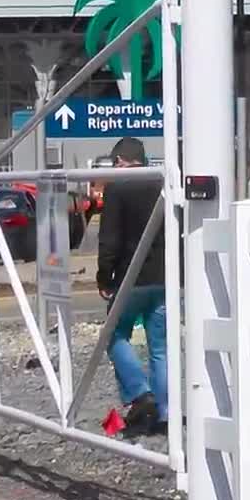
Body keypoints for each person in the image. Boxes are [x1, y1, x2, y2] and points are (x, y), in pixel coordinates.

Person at [96, 137, 167, 435]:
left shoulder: (118, 187)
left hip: (130, 278)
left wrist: (104, 275)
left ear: (119, 161)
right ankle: (165, 414)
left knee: (113, 335)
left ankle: (140, 393)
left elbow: (110, 238)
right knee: (161, 349)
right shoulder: (162, 184)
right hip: (164, 277)